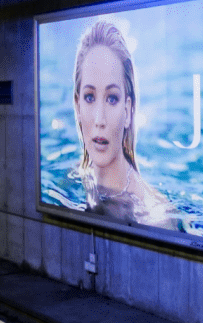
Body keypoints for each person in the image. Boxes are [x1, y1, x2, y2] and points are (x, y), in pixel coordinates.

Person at [72, 19, 177, 229]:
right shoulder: (78, 177)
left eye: (112, 98)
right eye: (90, 97)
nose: (99, 120)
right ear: (77, 106)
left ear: (128, 111)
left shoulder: (153, 214)